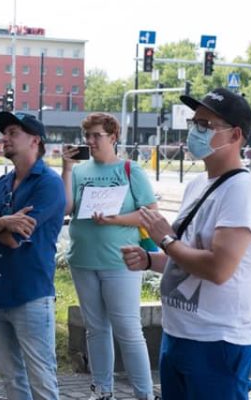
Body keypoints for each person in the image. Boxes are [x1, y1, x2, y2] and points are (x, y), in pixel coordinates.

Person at [121, 88, 251, 400]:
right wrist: (150, 261)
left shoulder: (241, 191)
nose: (195, 131)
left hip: (218, 341)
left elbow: (218, 268)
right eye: (194, 123)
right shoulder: (197, 185)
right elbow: (184, 255)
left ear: (235, 135)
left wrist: (163, 238)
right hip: (178, 334)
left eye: (206, 125)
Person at [0, 112, 66, 400]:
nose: (4, 138)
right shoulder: (2, 183)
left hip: (31, 296)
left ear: (35, 140)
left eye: (12, 133)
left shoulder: (48, 184)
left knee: (42, 382)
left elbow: (13, 240)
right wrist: (1, 222)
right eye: (3, 133)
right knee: (12, 381)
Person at [61, 112, 158, 400]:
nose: (90, 141)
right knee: (95, 329)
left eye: (96, 135)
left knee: (128, 329)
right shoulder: (79, 172)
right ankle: (102, 391)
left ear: (113, 137)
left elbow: (151, 213)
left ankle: (144, 394)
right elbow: (67, 208)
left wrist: (116, 219)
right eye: (87, 136)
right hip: (84, 259)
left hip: (121, 260)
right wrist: (66, 169)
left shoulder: (130, 170)